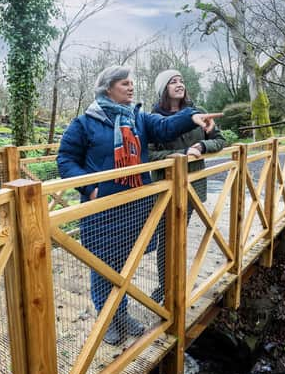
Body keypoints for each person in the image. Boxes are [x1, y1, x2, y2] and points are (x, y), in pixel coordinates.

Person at [57, 65, 221, 346]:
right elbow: (65, 160)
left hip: (135, 204)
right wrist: (90, 187)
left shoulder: (139, 119)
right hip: (102, 208)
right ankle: (106, 317)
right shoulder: (85, 123)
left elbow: (165, 126)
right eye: (124, 84)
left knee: (126, 264)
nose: (131, 87)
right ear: (108, 88)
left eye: (132, 83)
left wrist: (192, 116)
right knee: (103, 265)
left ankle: (120, 315)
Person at [148, 69, 226, 303]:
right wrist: (181, 153)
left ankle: (177, 284)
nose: (179, 85)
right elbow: (150, 155)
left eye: (181, 81)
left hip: (193, 184)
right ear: (163, 89)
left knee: (179, 236)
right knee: (166, 239)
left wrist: (202, 146)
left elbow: (221, 140)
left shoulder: (199, 113)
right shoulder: (154, 118)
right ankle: (165, 287)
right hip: (165, 187)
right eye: (173, 82)